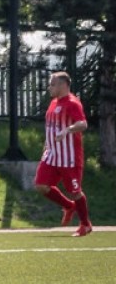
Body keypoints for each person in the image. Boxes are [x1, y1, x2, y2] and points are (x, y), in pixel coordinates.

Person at [34, 71, 92, 237]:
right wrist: (47, 144)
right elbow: (51, 127)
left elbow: (83, 124)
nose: (49, 87)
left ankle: (85, 225)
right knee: (41, 186)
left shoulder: (73, 103)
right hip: (52, 156)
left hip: (69, 159)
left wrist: (68, 130)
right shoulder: (53, 103)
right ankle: (69, 206)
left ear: (63, 85)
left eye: (52, 84)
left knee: (75, 191)